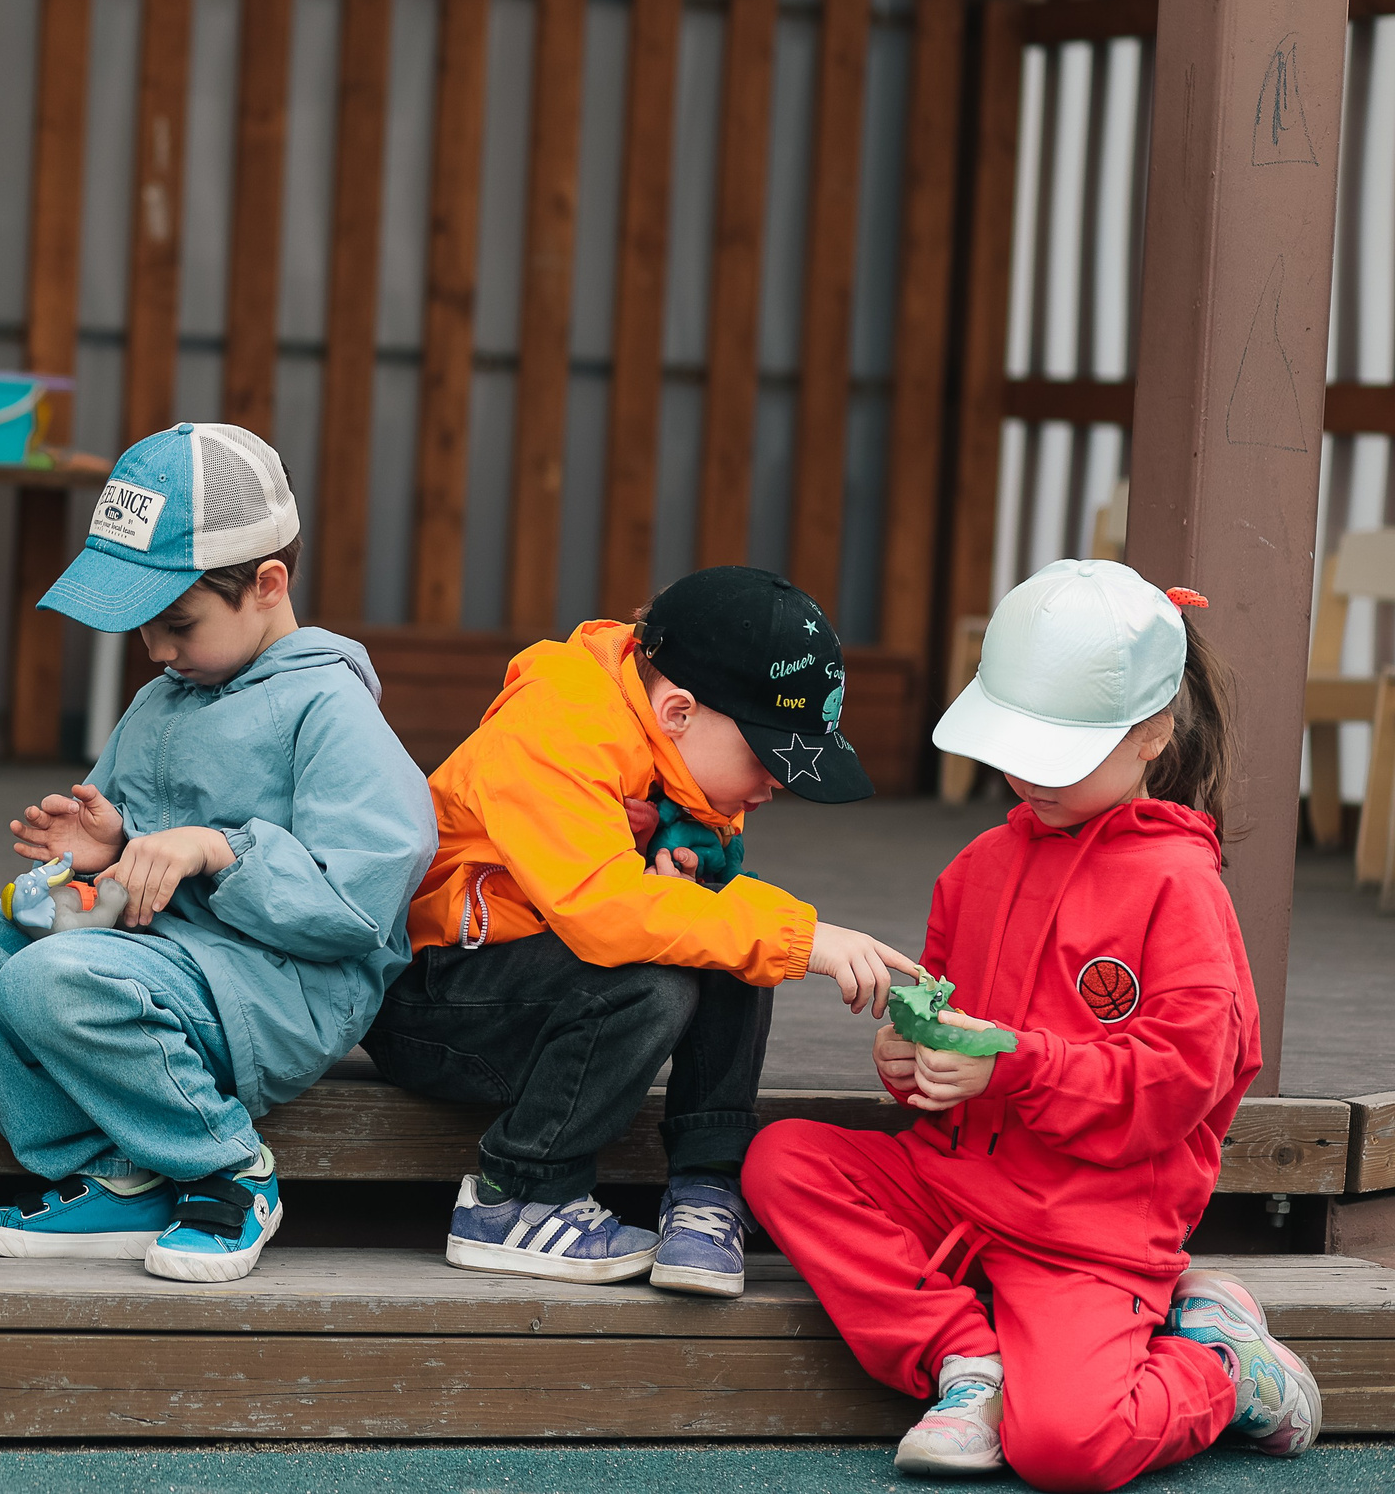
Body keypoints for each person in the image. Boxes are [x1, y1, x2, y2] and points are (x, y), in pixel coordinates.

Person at [745, 560, 1316, 1488]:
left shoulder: (1179, 885)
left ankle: (1224, 1369)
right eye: (1018, 743)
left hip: (1090, 1231)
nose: (1029, 776)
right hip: (954, 1185)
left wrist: (1008, 1063)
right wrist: (909, 1059)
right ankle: (970, 1364)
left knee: (1067, 1448)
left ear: (1154, 737)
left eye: (1065, 752)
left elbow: (1180, 1082)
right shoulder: (978, 865)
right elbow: (953, 1034)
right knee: (781, 1159)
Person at [0, 424, 437, 1284]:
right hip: (153, 960)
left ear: (268, 584)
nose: (155, 650)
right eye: (143, 628)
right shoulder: (163, 698)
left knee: (51, 978)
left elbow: (358, 903)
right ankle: (123, 1174)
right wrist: (100, 855)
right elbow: (116, 899)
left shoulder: (329, 706)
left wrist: (217, 851)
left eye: (177, 623)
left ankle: (229, 1167)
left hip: (279, 986)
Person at [364, 567, 921, 1297]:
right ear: (680, 712)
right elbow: (601, 911)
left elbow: (690, 912)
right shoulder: (558, 721)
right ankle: (518, 1194)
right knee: (663, 974)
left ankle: (704, 1189)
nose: (777, 782)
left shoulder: (679, 751)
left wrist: (746, 911)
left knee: (725, 926)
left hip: (542, 978)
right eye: (766, 755)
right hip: (438, 997)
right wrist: (805, 938)